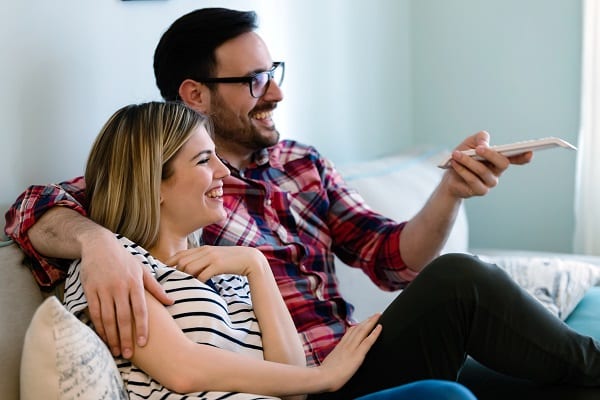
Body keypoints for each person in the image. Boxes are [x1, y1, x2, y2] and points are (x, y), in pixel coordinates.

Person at [4, 7, 600, 398]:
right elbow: (29, 211)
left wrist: (449, 191)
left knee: (551, 377)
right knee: (463, 280)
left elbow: (392, 259)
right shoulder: (166, 187)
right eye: (255, 80)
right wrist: (95, 241)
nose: (277, 92)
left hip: (352, 358)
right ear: (195, 94)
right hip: (309, 382)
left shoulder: (300, 165)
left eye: (274, 72)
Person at [64, 99, 475, 400]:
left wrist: (256, 265)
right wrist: (326, 376)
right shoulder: (113, 264)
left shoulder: (226, 269)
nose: (223, 171)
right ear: (153, 184)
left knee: (449, 391)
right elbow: (182, 369)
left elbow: (291, 384)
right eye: (204, 160)